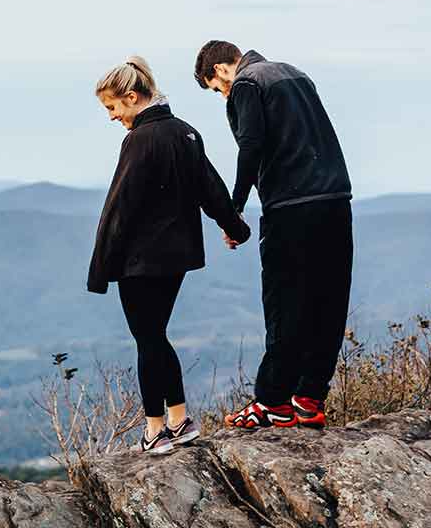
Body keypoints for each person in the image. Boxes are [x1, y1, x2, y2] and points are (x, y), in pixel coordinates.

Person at [88, 56, 250, 455]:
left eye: (112, 107)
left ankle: (154, 430)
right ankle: (180, 420)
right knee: (156, 336)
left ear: (131, 97)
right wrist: (236, 228)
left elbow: (119, 207)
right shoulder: (186, 133)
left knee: (147, 340)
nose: (111, 117)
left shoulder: (139, 140)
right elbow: (211, 188)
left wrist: (101, 270)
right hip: (177, 259)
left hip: (139, 261)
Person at [194, 41, 353, 431]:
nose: (222, 94)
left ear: (219, 71)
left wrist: (234, 207)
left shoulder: (247, 83)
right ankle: (310, 396)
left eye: (216, 89)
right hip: (335, 200)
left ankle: (273, 402)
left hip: (291, 207)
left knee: (284, 302)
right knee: (328, 300)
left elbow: (251, 144)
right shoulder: (296, 74)